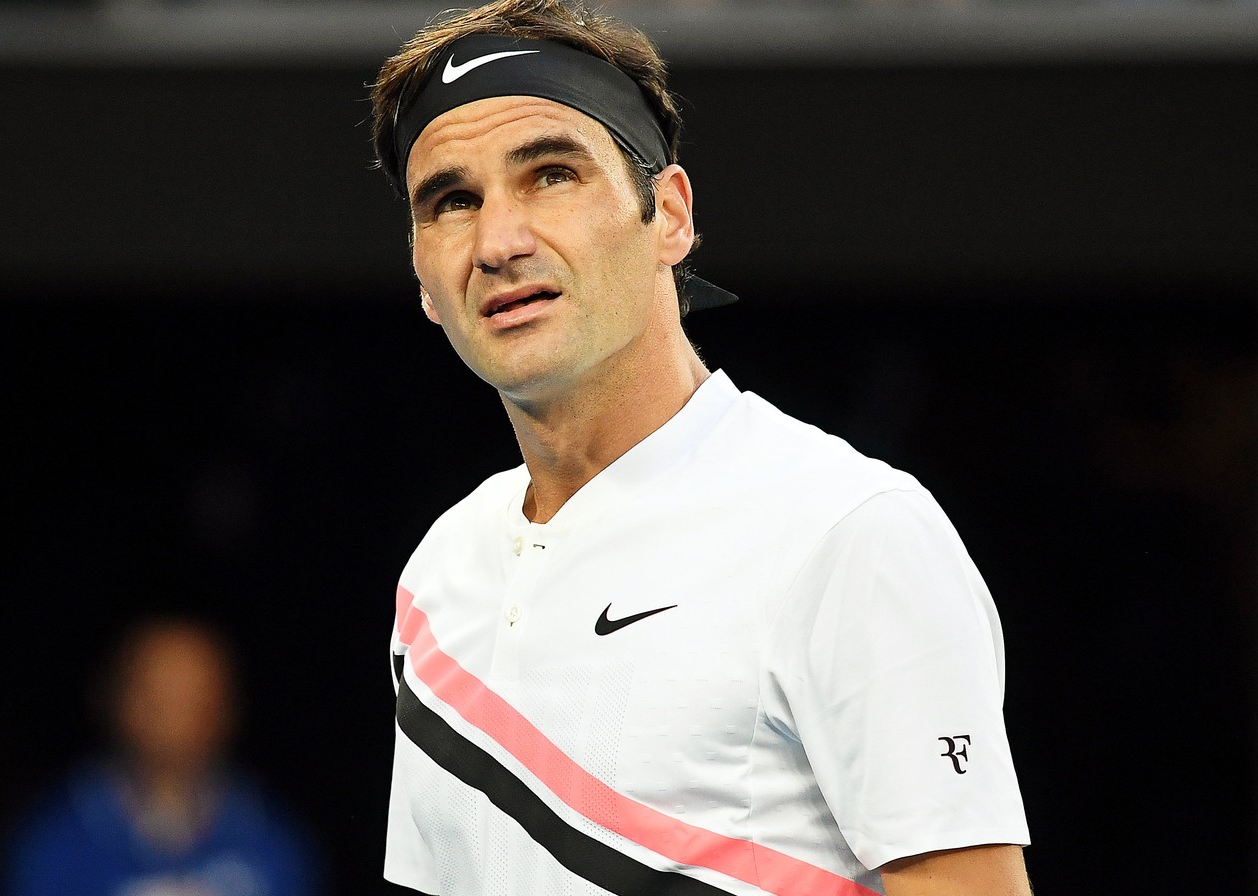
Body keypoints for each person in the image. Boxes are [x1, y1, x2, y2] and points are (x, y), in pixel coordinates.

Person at [370, 2, 1032, 893]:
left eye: (552, 175)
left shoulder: (851, 531)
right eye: (453, 202)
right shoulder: (440, 571)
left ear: (670, 215)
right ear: (421, 277)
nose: (499, 243)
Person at [0, 618, 317, 896]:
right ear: (114, 701)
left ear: (230, 709)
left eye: (197, 703)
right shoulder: (57, 843)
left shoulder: (272, 844)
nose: (176, 725)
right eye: (158, 702)